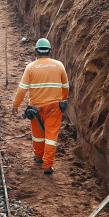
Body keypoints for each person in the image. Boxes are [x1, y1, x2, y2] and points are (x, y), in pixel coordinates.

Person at [12, 38, 69, 174]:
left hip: (35, 108)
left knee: (37, 135)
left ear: (36, 52)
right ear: (50, 51)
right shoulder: (59, 65)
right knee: (51, 136)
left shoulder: (31, 67)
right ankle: (48, 165)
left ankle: (38, 157)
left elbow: (22, 90)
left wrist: (16, 105)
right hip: (54, 107)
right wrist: (63, 100)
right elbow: (65, 87)